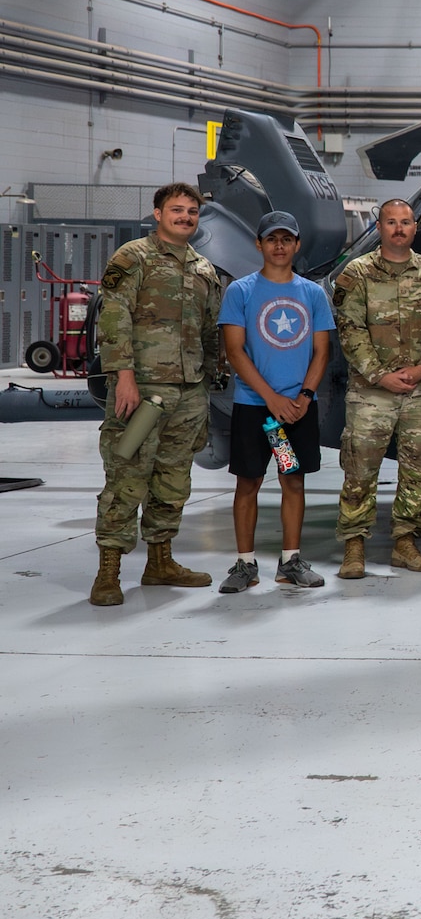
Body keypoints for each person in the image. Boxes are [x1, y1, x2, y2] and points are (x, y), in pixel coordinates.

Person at [90, 183, 223, 606]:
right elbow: (113, 317)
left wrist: (209, 380)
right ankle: (108, 571)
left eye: (191, 212)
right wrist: (123, 376)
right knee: (126, 477)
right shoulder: (133, 257)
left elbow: (209, 331)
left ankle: (160, 561)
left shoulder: (204, 268)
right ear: (157, 213)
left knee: (173, 479)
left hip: (189, 393)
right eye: (176, 210)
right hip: (142, 391)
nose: (185, 217)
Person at [332, 198, 421, 580]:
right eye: (391, 222)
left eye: (405, 222)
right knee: (360, 468)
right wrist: (380, 375)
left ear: (415, 227)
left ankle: (406, 542)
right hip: (371, 392)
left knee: (418, 470)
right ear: (380, 227)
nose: (399, 228)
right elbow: (349, 331)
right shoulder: (357, 274)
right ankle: (354, 546)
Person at [218, 211, 337, 594]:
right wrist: (271, 399)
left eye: (287, 239)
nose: (280, 245)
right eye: (272, 239)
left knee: (292, 479)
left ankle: (290, 562)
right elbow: (235, 352)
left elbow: (322, 351)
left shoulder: (312, 293)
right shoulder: (241, 291)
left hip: (296, 411)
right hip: (257, 408)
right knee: (248, 482)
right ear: (259, 244)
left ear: (297, 245)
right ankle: (245, 564)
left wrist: (302, 397)